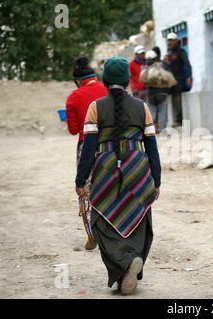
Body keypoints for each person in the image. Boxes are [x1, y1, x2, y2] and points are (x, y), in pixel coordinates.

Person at [75, 56, 161, 295]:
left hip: (106, 168)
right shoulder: (142, 107)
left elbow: (88, 148)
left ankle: (123, 266)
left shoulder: (95, 107)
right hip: (138, 167)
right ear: (126, 81)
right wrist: (156, 179)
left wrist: (80, 181)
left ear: (104, 80)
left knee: (100, 219)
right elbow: (152, 147)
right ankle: (133, 259)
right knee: (139, 216)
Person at [65, 56, 107, 250]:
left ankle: (91, 234)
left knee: (86, 189)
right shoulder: (107, 90)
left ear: (78, 81)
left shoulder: (73, 97)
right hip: (110, 145)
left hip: (86, 147)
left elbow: (73, 130)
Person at [140, 49, 177, 133]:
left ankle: (153, 130)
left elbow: (143, 82)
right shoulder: (163, 65)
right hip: (162, 94)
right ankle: (163, 130)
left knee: (152, 113)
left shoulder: (145, 69)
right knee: (162, 112)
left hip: (150, 95)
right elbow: (170, 77)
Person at [164, 33, 192, 127]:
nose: (170, 42)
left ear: (176, 41)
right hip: (170, 80)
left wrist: (189, 76)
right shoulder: (168, 52)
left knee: (177, 98)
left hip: (180, 79)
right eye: (169, 40)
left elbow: (187, 64)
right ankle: (168, 121)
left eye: (172, 40)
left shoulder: (181, 51)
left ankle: (179, 120)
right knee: (169, 98)